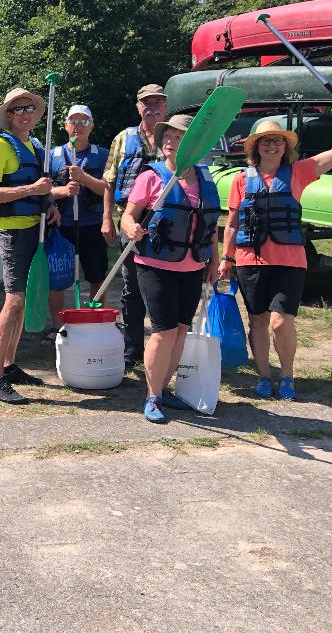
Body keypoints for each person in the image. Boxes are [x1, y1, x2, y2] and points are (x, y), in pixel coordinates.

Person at [219, 94, 332, 401]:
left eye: (277, 141)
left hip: (289, 262)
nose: (272, 146)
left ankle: (287, 376)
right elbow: (233, 224)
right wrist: (226, 258)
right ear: (255, 147)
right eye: (266, 141)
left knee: (281, 321)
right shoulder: (241, 180)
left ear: (285, 147)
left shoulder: (299, 172)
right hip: (250, 261)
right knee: (257, 321)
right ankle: (264, 377)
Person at [120, 113, 221, 424]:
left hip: (192, 266)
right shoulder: (151, 177)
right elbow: (128, 216)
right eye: (167, 136)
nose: (169, 141)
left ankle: (164, 389)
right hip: (154, 265)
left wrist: (214, 260)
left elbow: (209, 225)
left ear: (193, 143)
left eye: (177, 137)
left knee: (179, 331)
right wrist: (132, 228)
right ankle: (152, 396)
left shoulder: (205, 179)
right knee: (163, 331)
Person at [0, 88, 79, 404]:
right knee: (13, 301)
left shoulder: (35, 146)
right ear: (8, 115)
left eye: (29, 108)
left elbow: (43, 189)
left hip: (35, 229)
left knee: (22, 301)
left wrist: (49, 203)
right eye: (18, 109)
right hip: (11, 231)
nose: (25, 114)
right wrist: (30, 190)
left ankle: (9, 366)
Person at [102, 83, 167, 368]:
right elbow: (109, 181)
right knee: (132, 286)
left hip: (166, 223)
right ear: (138, 107)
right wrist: (107, 218)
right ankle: (132, 347)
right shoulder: (122, 138)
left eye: (157, 102)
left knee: (163, 285)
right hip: (130, 220)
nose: (152, 107)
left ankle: (164, 343)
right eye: (146, 103)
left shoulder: (174, 137)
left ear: (165, 105)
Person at [48, 104, 110, 335]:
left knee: (97, 277)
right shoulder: (52, 156)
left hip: (92, 226)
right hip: (61, 227)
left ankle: (96, 325)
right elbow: (43, 191)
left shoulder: (102, 155)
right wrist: (63, 191)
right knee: (57, 279)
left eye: (84, 122)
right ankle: (58, 327)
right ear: (66, 125)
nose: (78, 126)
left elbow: (109, 191)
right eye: (73, 121)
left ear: (91, 126)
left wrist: (84, 178)